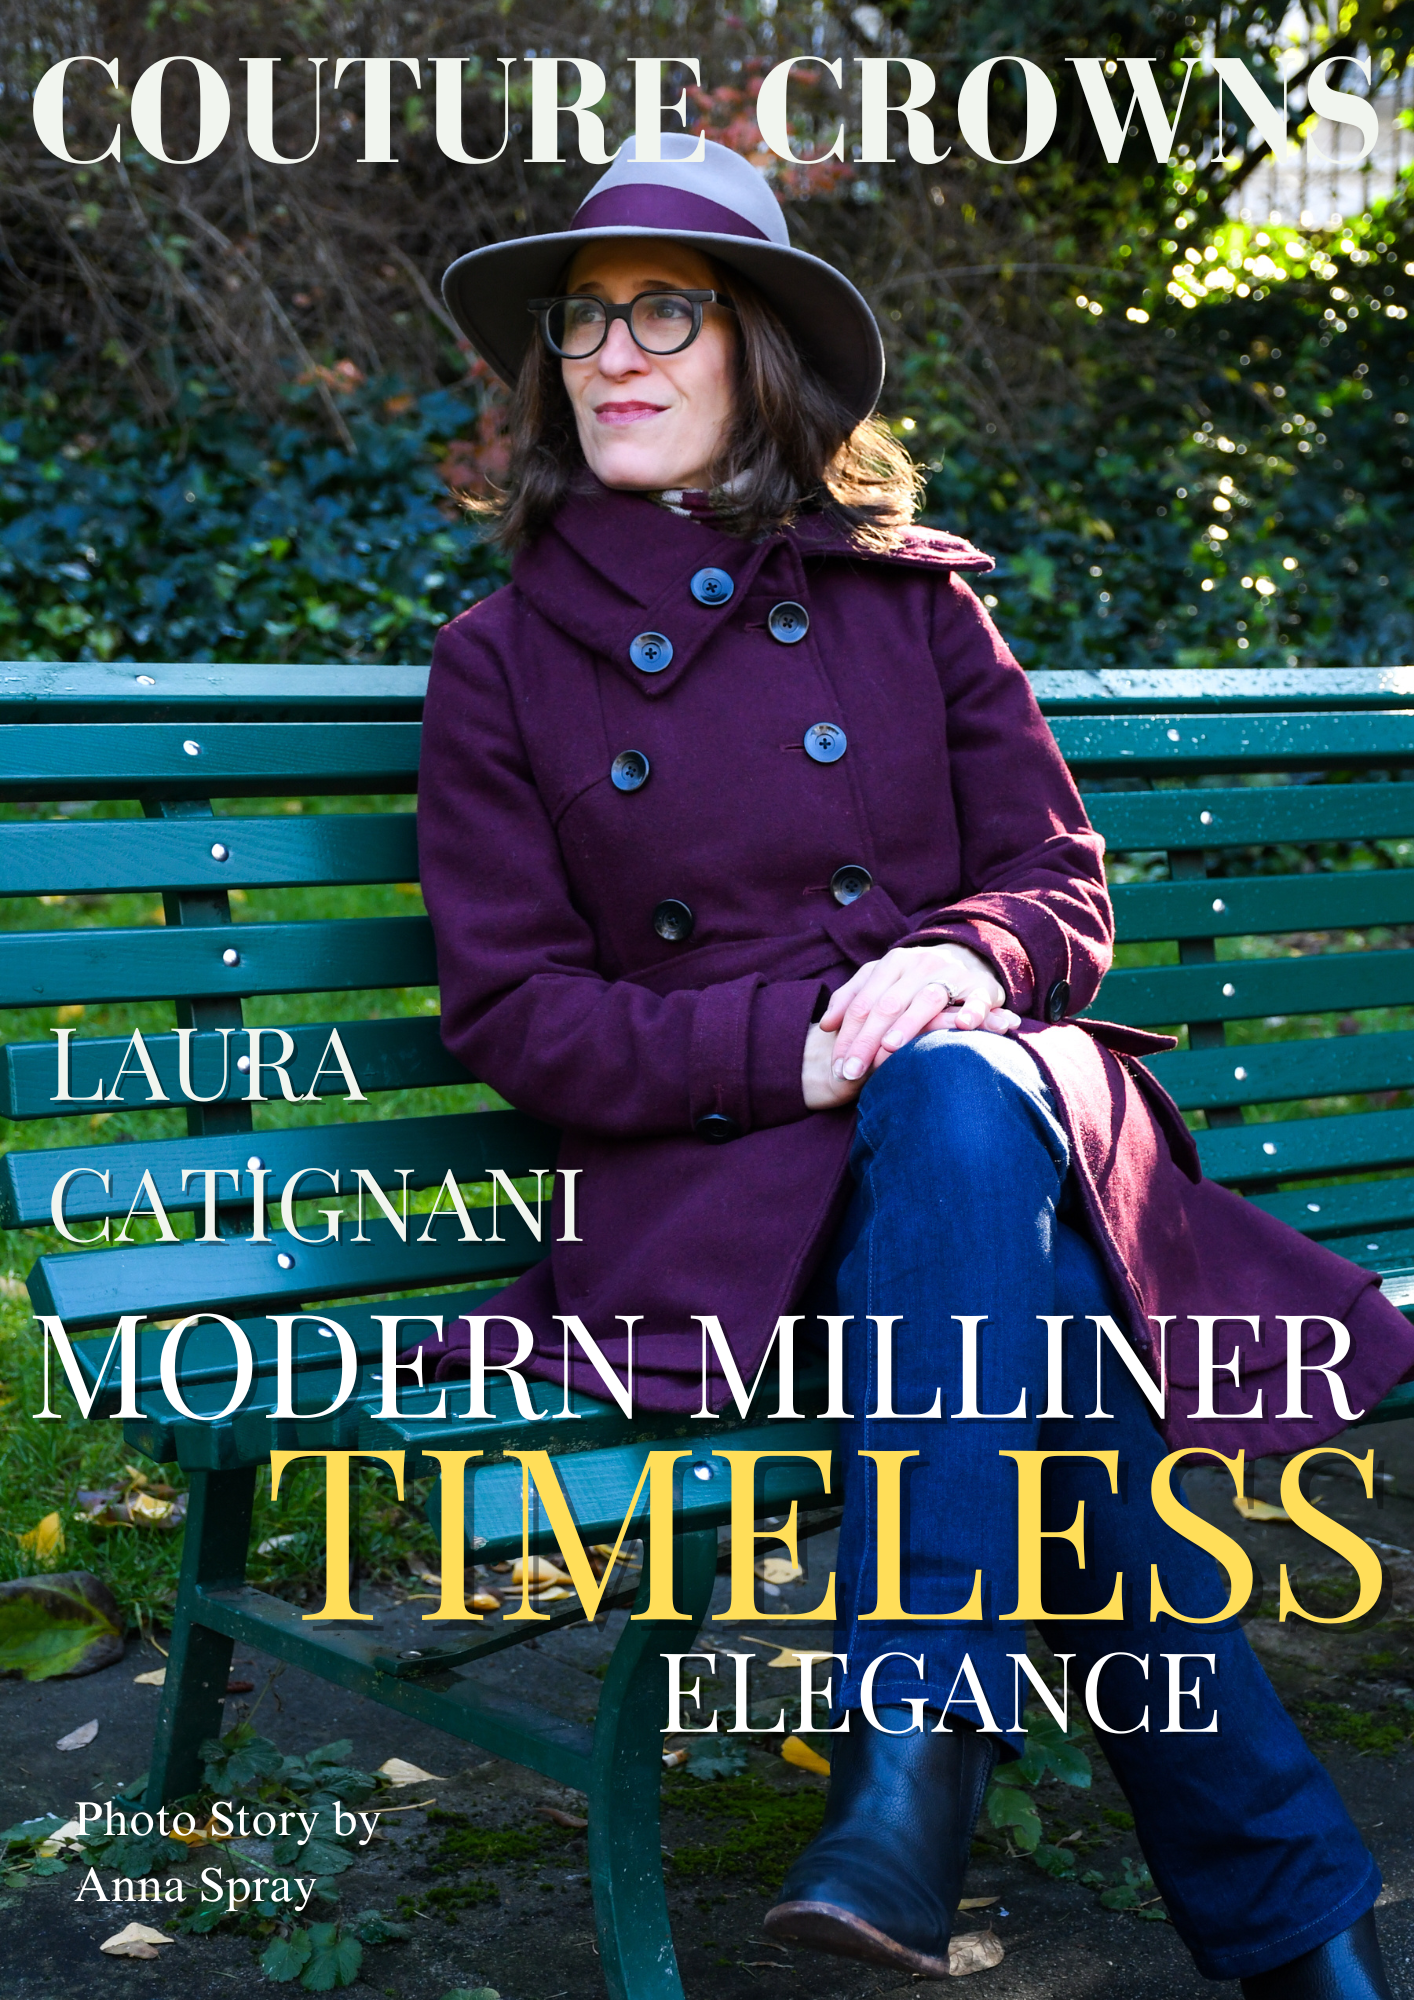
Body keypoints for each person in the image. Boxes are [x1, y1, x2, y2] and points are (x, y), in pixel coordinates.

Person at [416, 132, 1414, 1997]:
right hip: (739, 1196)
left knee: (956, 1088)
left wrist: (965, 951)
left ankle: (912, 1771)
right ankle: (1290, 1933)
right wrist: (788, 1048)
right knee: (1039, 1337)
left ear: (760, 352)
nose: (612, 354)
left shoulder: (913, 601)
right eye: (581, 321)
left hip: (995, 1124)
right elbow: (514, 1015)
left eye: (665, 313)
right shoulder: (501, 666)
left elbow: (1058, 881)